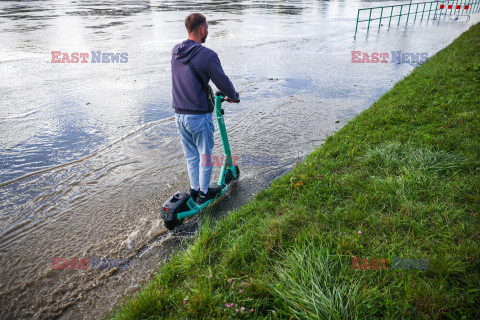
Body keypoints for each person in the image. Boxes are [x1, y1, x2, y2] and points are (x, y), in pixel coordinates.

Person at [171, 13, 239, 204]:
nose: (207, 30)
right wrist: (233, 96)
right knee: (205, 156)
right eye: (207, 27)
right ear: (202, 30)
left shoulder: (176, 51)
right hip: (198, 116)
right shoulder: (207, 55)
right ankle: (204, 192)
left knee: (191, 156)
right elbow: (223, 82)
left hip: (179, 115)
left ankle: (194, 190)